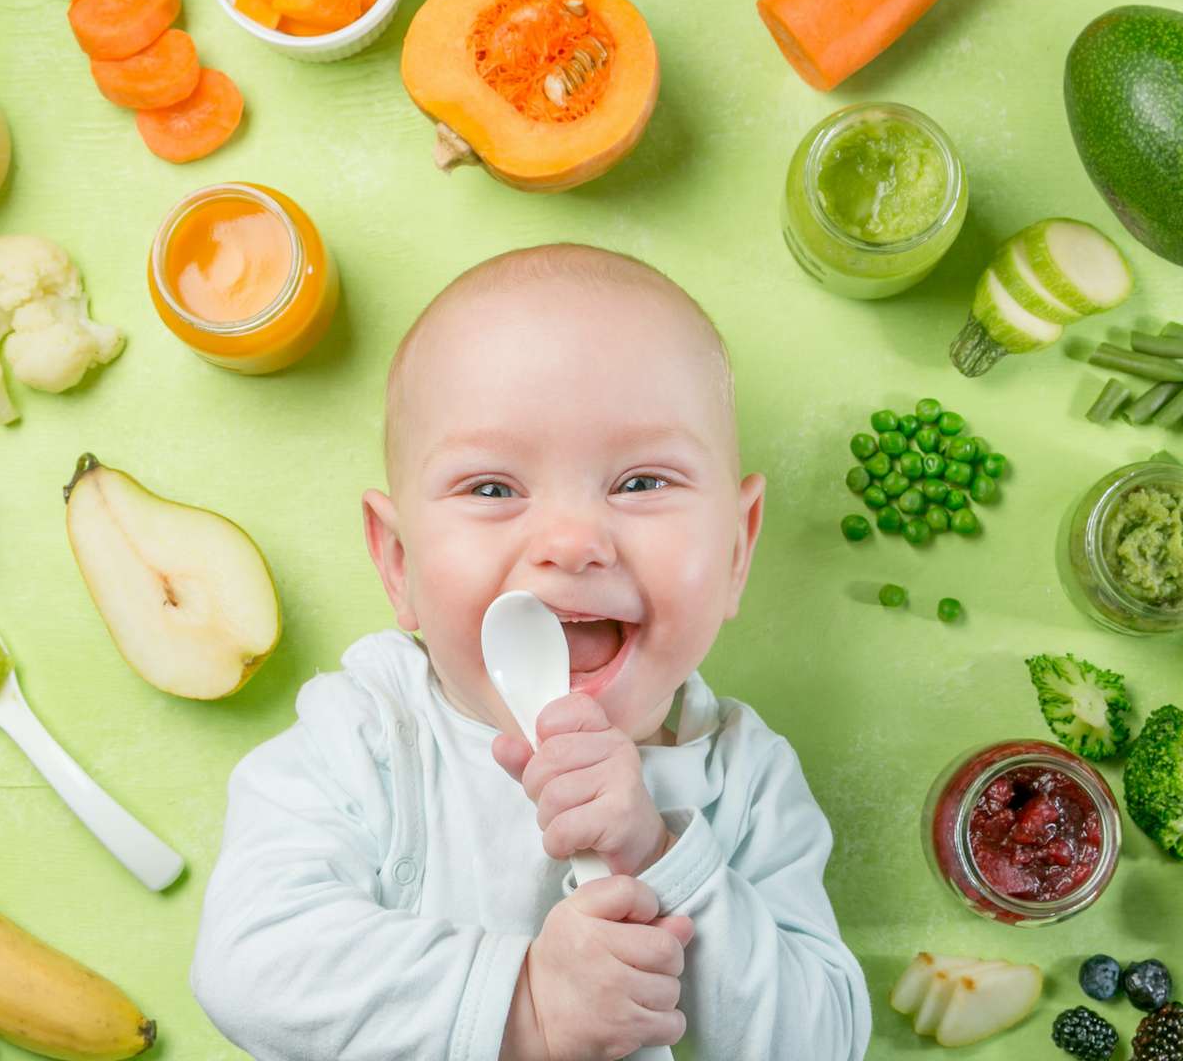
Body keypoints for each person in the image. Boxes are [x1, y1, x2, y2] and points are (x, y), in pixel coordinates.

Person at [192, 244, 871, 1060]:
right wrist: (525, 1004)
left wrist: (659, 857)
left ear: (735, 550)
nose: (572, 541)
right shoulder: (365, 737)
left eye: (642, 482)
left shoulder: (748, 783)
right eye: (492, 490)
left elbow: (824, 1041)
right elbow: (248, 964)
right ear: (399, 564)